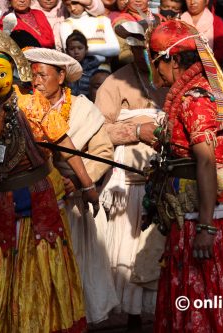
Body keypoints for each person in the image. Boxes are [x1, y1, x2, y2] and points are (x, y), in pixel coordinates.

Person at [0, 23, 99, 332]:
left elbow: (64, 143)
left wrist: (87, 184)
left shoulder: (32, 103)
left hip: (40, 200)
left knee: (45, 271)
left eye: (2, 74)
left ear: (13, 69)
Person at [148, 19, 223, 332]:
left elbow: (205, 162)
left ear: (171, 59)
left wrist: (205, 226)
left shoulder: (193, 99)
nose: (154, 70)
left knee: (212, 293)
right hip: (192, 212)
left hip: (208, 215)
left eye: (155, 61)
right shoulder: (193, 93)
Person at [24, 46, 118, 324]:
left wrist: (78, 180)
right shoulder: (24, 106)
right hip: (33, 203)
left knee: (73, 266)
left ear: (61, 76)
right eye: (33, 76)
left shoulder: (83, 109)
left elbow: (103, 152)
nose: (36, 81)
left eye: (42, 75)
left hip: (72, 205)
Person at [95, 20, 168, 331]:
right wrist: (138, 129)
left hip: (162, 180)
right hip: (126, 182)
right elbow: (97, 132)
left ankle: (155, 311)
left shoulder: (172, 83)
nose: (144, 56)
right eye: (139, 50)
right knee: (123, 245)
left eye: (150, 51)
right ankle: (128, 314)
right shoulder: (114, 83)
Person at [180, 0, 223, 65]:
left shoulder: (216, 21)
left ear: (207, 1)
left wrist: (205, 64)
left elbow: (221, 50)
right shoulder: (179, 21)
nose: (192, 2)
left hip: (208, 68)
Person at [65, 31, 102, 97]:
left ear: (86, 49)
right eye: (72, 49)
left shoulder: (94, 70)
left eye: (80, 48)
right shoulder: (64, 69)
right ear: (66, 51)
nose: (76, 52)